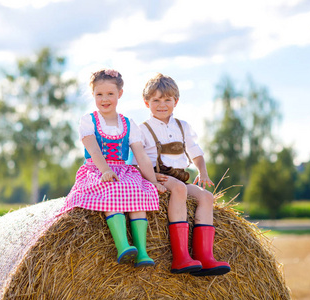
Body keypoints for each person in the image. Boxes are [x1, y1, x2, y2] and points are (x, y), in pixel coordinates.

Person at [59, 69, 166, 267]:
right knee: (111, 189)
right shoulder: (88, 121)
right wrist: (105, 170)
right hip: (97, 169)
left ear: (120, 94)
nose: (104, 99)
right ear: (93, 95)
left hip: (122, 170)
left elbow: (140, 155)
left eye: (110, 94)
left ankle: (142, 251)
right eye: (99, 94)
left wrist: (152, 182)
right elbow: (93, 148)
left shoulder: (128, 123)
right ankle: (123, 245)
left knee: (137, 190)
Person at [133, 73, 231, 276]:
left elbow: (196, 153)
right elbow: (137, 160)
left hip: (179, 177)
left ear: (175, 101)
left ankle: (205, 256)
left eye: (167, 100)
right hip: (158, 178)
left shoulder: (182, 126)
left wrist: (202, 172)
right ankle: (180, 257)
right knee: (179, 189)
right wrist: (150, 178)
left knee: (206, 196)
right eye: (156, 100)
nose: (162, 104)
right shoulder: (142, 129)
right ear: (146, 102)